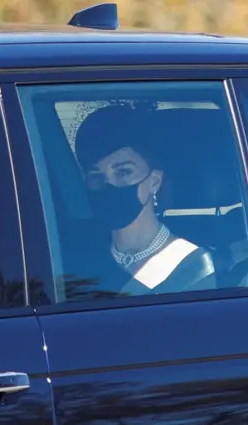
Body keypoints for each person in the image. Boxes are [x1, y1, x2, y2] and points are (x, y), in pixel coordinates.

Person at [74, 103, 216, 296]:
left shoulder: (194, 269)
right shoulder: (73, 256)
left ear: (154, 181)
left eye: (123, 172)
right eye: (96, 175)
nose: (108, 184)